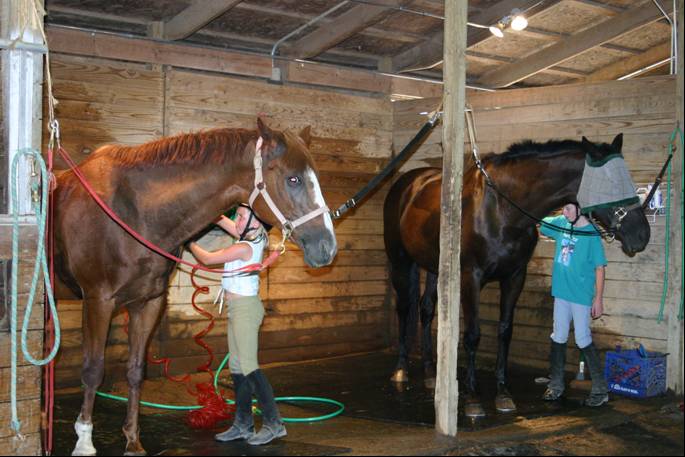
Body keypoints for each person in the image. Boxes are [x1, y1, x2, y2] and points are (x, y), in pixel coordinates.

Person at [188, 204, 286, 445]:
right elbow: (223, 220)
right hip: (236, 310)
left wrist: (186, 240)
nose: (237, 220)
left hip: (246, 310)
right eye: (238, 216)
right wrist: (216, 208)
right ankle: (243, 424)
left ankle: (275, 424)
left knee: (250, 367)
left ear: (254, 222)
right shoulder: (255, 233)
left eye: (241, 217)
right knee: (237, 368)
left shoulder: (245, 246)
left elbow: (207, 259)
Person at [539, 202, 609, 407]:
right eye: (563, 208)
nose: (564, 212)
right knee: (558, 335)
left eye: (569, 208)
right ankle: (556, 385)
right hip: (560, 292)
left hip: (580, 295)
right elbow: (540, 221)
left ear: (580, 210)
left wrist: (598, 298)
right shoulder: (562, 222)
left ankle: (600, 389)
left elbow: (599, 268)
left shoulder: (591, 234)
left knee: (582, 337)